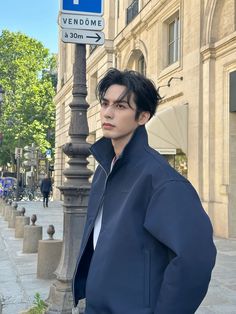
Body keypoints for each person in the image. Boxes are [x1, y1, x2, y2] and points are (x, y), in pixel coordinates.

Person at [72, 69, 217, 314]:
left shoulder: (162, 180)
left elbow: (195, 259)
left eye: (120, 106)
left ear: (142, 116)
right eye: (105, 103)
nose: (107, 112)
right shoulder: (103, 171)